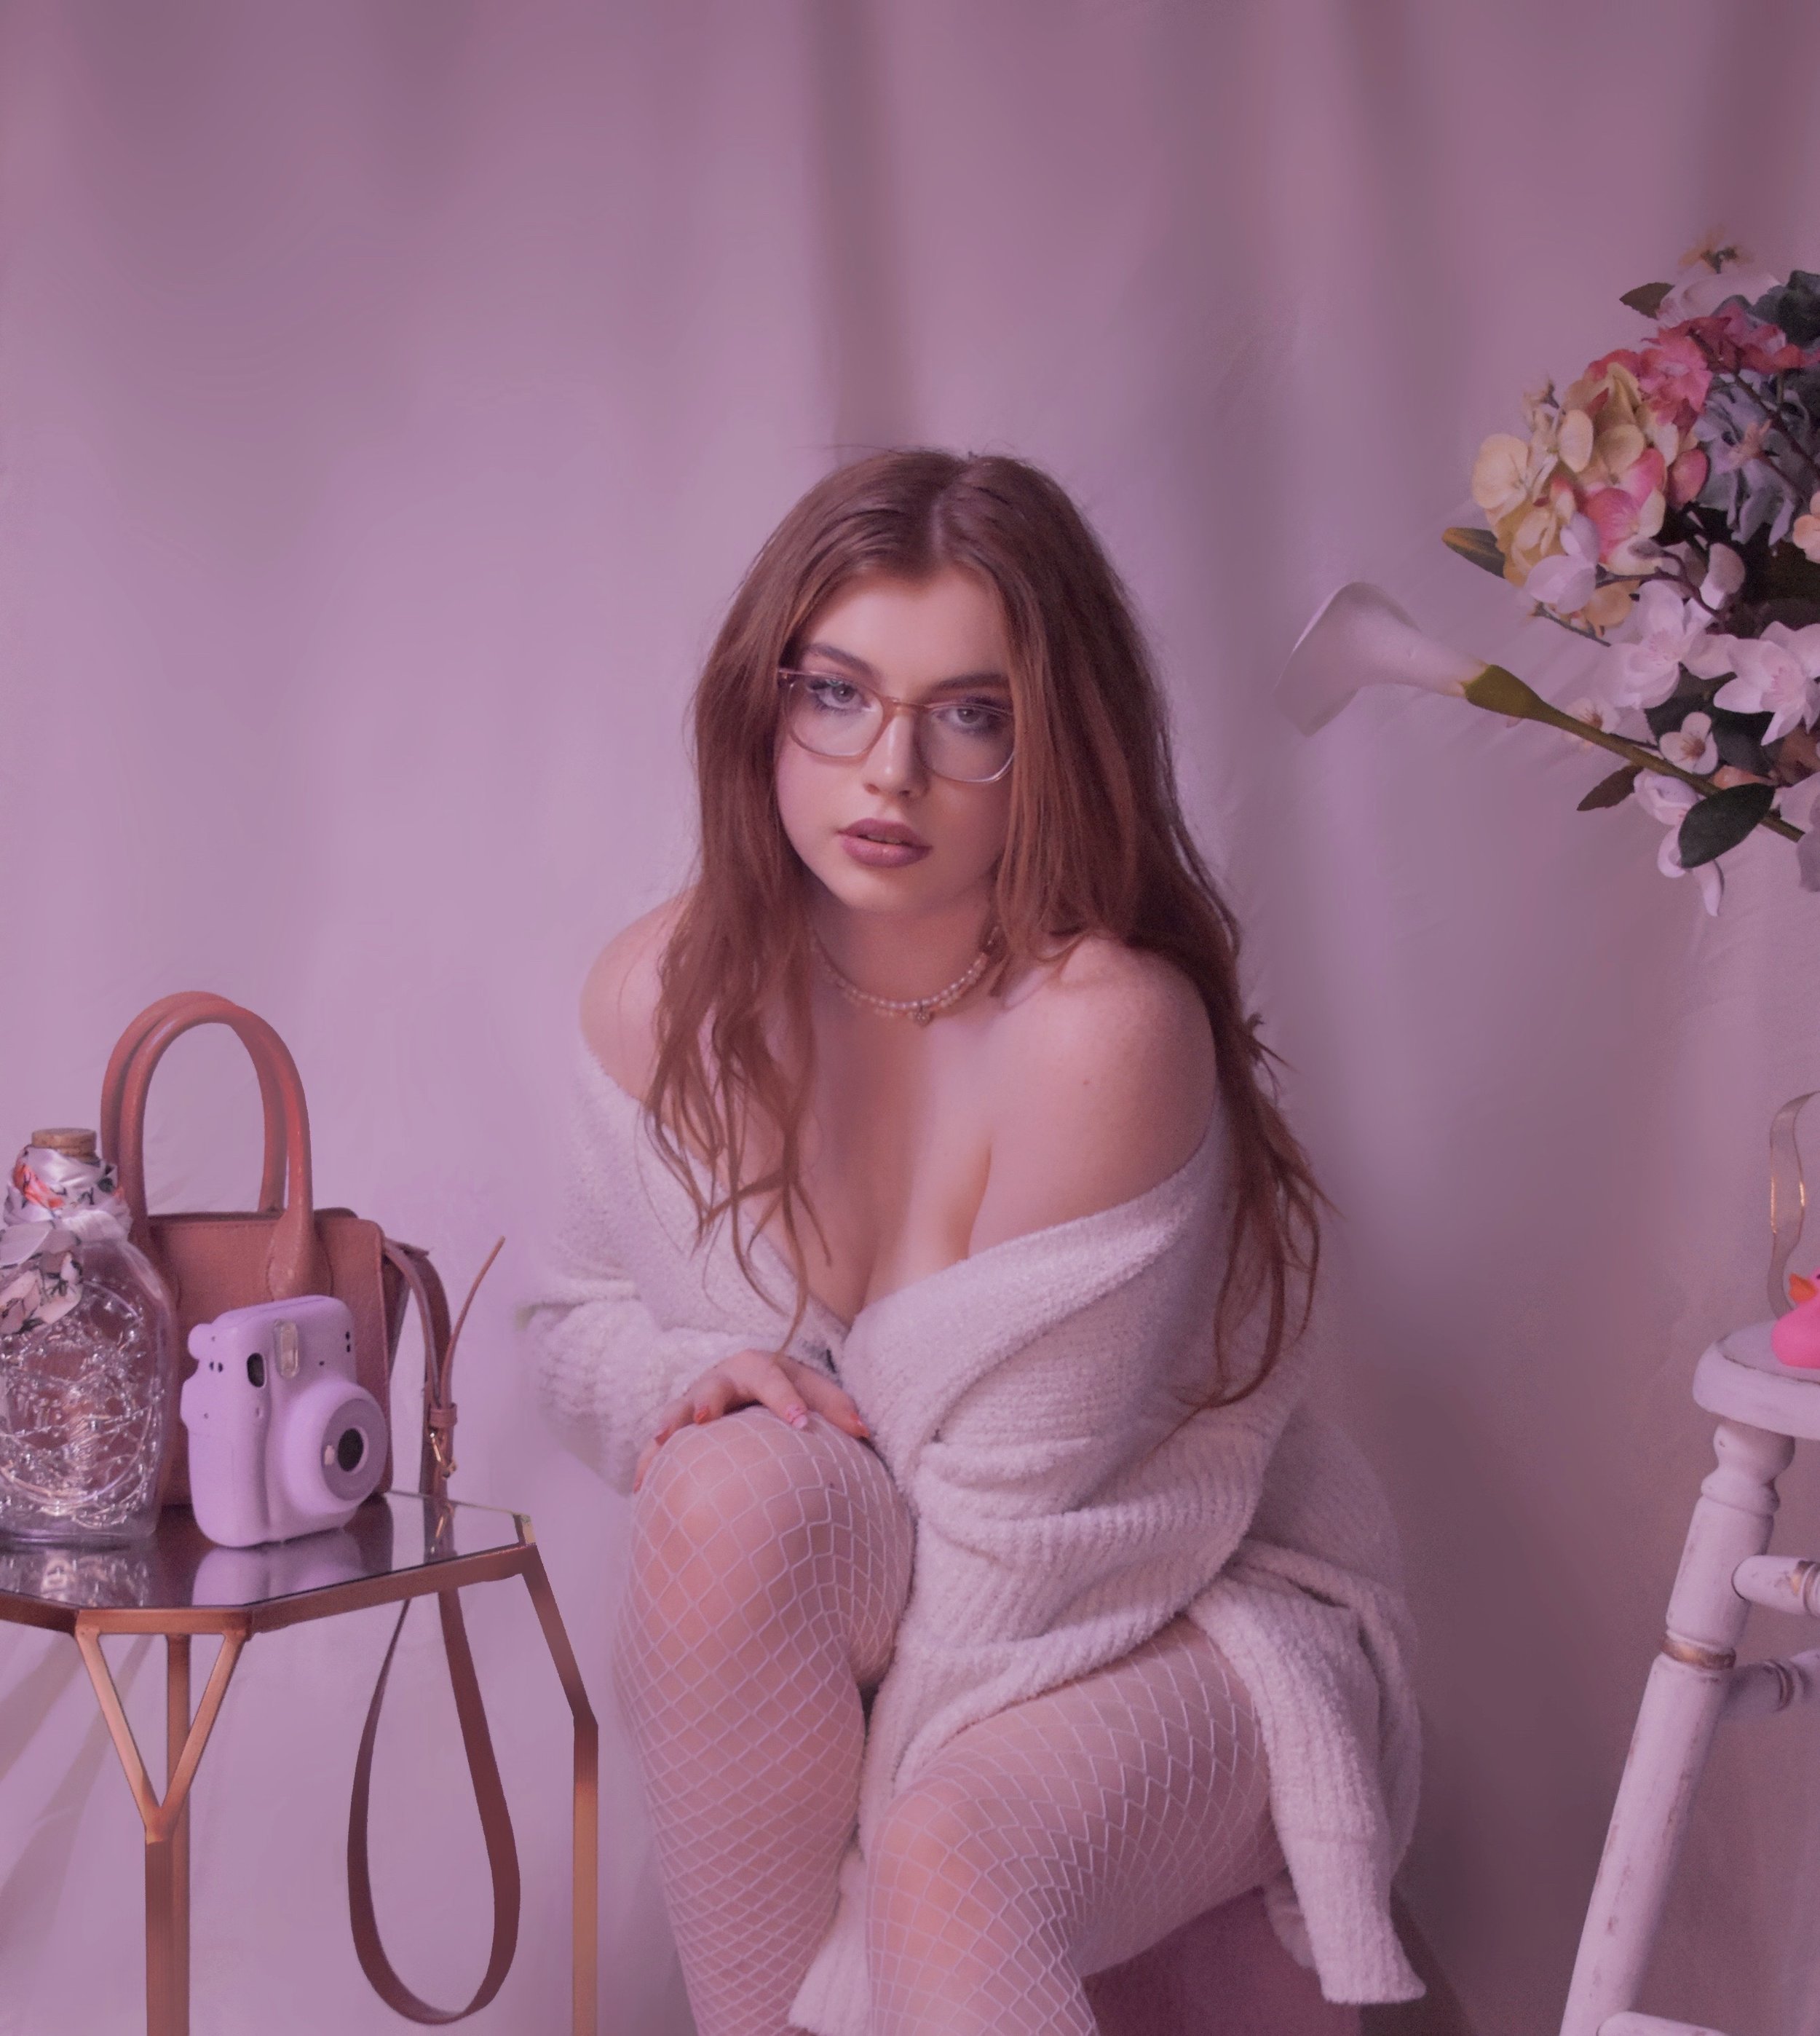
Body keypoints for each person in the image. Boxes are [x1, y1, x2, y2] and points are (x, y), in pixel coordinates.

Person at [520, 449, 1423, 2036]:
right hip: (898, 1594)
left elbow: (1019, 1561)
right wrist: (688, 1378)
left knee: (944, 1857)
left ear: (1052, 741)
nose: (889, 773)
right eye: (837, 695)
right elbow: (572, 1319)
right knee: (725, 1489)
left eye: (969, 716)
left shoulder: (1098, 1033)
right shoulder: (663, 994)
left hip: (1171, 1600)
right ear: (761, 704)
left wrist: (847, 1966)